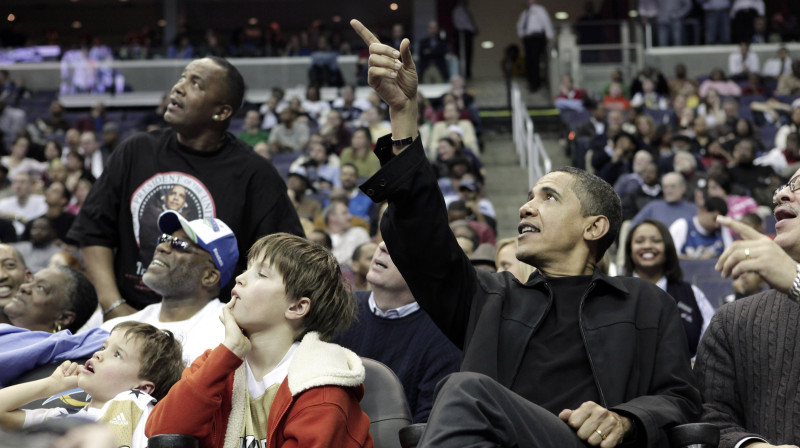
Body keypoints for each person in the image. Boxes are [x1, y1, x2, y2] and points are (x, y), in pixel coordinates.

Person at [351, 18, 700, 447]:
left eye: (549, 197)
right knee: (463, 390)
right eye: (529, 196)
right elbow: (421, 236)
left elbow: (682, 399)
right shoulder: (489, 299)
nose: (526, 206)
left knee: (462, 388)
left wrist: (625, 418)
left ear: (595, 226)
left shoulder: (645, 302)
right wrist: (403, 114)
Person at [67, 56, 303, 319]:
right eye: (182, 78)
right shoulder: (136, 150)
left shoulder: (255, 174)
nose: (178, 87)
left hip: (210, 327)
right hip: (128, 315)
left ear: (222, 112)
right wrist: (114, 307)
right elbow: (94, 233)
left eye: (196, 84)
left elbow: (282, 264)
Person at [146, 233, 372, 448]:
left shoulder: (322, 384)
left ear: (297, 307)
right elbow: (161, 433)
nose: (240, 278)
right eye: (247, 269)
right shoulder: (216, 363)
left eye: (262, 274)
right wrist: (229, 352)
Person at [694, 171, 800, 446]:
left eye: (799, 186)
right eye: (785, 186)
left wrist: (796, 280)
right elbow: (711, 416)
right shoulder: (732, 320)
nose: (781, 195)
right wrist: (751, 446)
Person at [0, 321, 184, 448]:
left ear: (142, 388)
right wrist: (52, 385)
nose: (98, 354)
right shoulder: (64, 417)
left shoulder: (137, 403)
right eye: (104, 347)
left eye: (117, 354)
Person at [334, 241, 462, 423]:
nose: (383, 246)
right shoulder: (336, 309)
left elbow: (428, 430)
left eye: (403, 241)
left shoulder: (445, 337)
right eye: (385, 236)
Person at [102, 211, 238, 365]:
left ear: (209, 277)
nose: (162, 247)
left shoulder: (228, 335)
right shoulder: (115, 330)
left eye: (180, 244)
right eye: (165, 239)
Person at [623, 219, 715, 357]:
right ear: (630, 250)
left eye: (656, 240)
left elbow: (713, 344)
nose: (647, 246)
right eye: (639, 241)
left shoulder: (692, 293)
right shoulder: (614, 292)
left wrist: (694, 366)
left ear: (668, 248)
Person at [631, 171, 697, 227]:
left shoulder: (693, 209)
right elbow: (633, 226)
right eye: (665, 187)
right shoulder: (653, 207)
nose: (668, 190)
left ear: (683, 187)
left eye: (673, 186)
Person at [517, 0, 553, 92]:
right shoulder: (525, 13)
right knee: (529, 61)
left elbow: (546, 22)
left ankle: (536, 83)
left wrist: (549, 36)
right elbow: (520, 26)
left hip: (537, 38)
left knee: (535, 60)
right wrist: (521, 36)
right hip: (527, 39)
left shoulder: (540, 10)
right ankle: (531, 82)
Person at [0, 172, 47, 238]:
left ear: (31, 186)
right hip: (10, 239)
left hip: (33, 238)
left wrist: (16, 217)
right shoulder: (3, 203)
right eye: (15, 182)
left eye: (22, 182)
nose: (18, 186)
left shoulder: (42, 201)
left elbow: (37, 226)